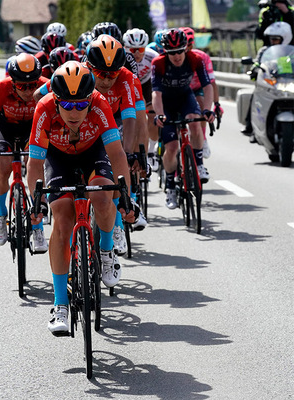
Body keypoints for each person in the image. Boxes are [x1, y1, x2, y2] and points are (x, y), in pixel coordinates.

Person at [26, 61, 136, 335]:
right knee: (62, 219)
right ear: (56, 99)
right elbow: (34, 163)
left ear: (90, 99)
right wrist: (36, 201)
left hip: (92, 152)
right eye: (67, 105)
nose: (74, 112)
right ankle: (60, 304)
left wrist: (125, 196)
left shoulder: (100, 105)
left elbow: (117, 154)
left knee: (104, 195)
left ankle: (106, 250)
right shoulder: (44, 108)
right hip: (58, 157)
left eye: (80, 105)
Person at [0, 53, 49, 253]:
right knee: (2, 167)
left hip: (31, 131)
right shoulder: (1, 88)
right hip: (5, 130)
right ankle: (1, 215)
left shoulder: (46, 85)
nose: (28, 90)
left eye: (32, 85)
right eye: (22, 86)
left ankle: (38, 227)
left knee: (36, 166)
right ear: (13, 81)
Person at [86, 34, 147, 254]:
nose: (106, 80)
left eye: (112, 74)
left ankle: (119, 224)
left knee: (118, 162)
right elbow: (40, 95)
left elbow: (130, 117)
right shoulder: (79, 74)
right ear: (89, 67)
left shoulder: (126, 77)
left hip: (114, 121)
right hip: (84, 124)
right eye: (101, 73)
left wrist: (130, 152)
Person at [152, 28, 215, 210]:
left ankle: (199, 164)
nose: (177, 56)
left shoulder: (196, 59)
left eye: (180, 51)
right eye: (172, 53)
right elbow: (156, 93)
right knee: (171, 148)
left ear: (186, 48)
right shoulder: (159, 63)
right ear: (166, 52)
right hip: (166, 104)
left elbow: (207, 86)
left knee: (195, 122)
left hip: (185, 98)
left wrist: (207, 110)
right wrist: (159, 114)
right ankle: (171, 186)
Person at [242, 21, 293, 139]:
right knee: (255, 96)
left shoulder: (291, 52)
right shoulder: (264, 51)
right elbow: (257, 63)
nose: (272, 41)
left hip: (288, 83)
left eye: (276, 39)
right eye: (271, 38)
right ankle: (250, 126)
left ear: (285, 38)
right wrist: (254, 70)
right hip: (270, 83)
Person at [181, 26, 224, 158]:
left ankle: (203, 138)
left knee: (201, 105)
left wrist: (216, 104)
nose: (186, 49)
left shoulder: (201, 57)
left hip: (197, 87)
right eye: (184, 45)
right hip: (180, 89)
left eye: (189, 45)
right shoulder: (174, 56)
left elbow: (211, 83)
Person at [123, 28, 160, 171]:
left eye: (141, 49)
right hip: (130, 85)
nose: (137, 53)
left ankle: (150, 150)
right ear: (126, 48)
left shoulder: (153, 56)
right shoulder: (122, 58)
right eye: (133, 50)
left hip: (147, 84)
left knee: (152, 114)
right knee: (137, 118)